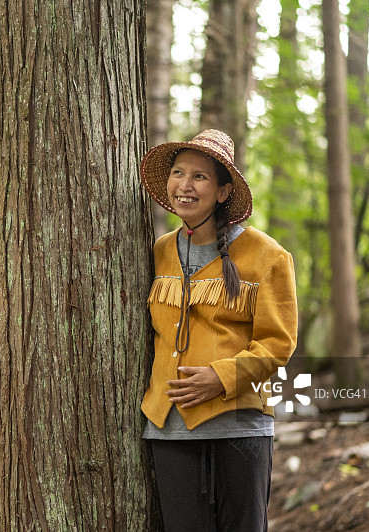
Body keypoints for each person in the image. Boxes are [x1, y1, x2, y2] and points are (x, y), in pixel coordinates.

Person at [139, 129, 298, 531]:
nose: (185, 185)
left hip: (240, 426)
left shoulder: (268, 256)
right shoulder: (158, 251)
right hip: (170, 431)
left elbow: (278, 343)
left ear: (224, 192)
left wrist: (221, 377)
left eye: (200, 177)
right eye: (178, 173)